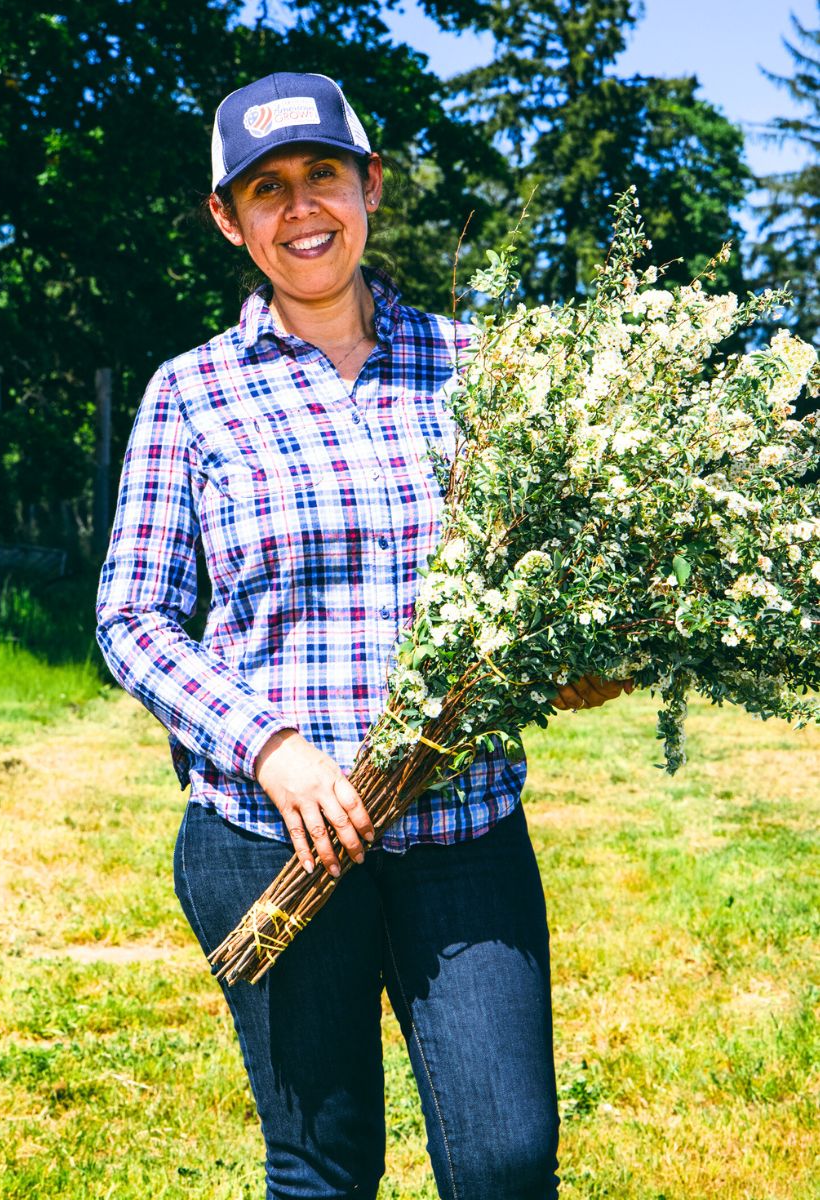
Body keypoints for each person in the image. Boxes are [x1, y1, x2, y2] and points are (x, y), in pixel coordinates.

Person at [96, 71, 631, 1200]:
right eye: (267, 188)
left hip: (463, 826)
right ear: (228, 220)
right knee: (322, 1169)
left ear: (370, 186)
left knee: (506, 1164)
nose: (301, 209)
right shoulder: (191, 394)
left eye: (322, 175)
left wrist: (579, 648)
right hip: (265, 839)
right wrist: (270, 745)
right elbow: (132, 617)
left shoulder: (482, 371)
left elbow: (540, 564)